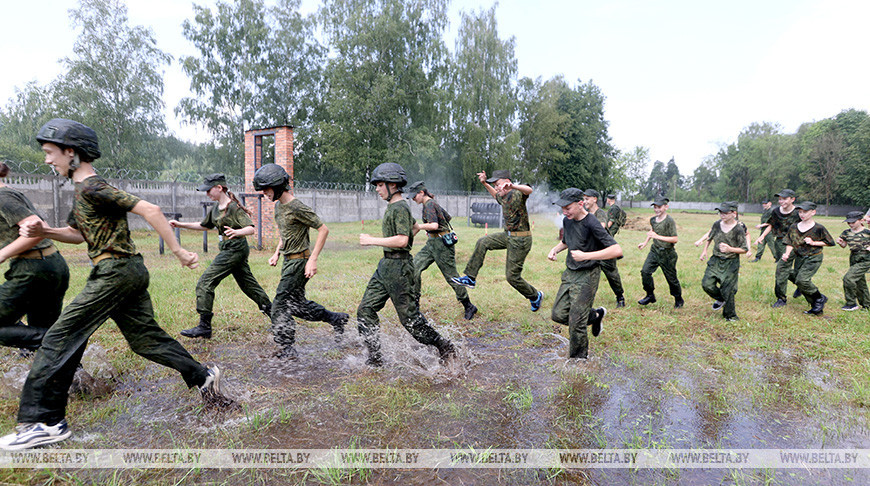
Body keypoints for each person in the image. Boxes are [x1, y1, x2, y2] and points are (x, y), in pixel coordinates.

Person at [0, 119, 227, 451]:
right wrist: (45, 232)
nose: (48, 160)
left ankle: (43, 422)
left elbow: (150, 209)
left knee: (60, 336)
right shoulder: (82, 191)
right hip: (126, 270)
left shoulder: (93, 186)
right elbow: (79, 235)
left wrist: (178, 250)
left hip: (115, 272)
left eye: (51, 153)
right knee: (145, 340)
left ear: (71, 152)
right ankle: (202, 376)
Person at [357, 163, 455, 367]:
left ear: (393, 185)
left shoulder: (400, 207)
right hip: (385, 266)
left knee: (410, 321)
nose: (376, 188)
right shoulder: (395, 207)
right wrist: (412, 232)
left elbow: (402, 240)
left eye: (380, 184)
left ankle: (443, 345)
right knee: (365, 310)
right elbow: (413, 227)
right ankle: (375, 358)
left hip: (399, 268)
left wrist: (370, 240)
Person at [252, 164, 349, 359]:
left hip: (299, 261)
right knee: (296, 304)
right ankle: (335, 318)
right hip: (288, 260)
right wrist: (277, 252)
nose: (264, 194)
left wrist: (312, 260)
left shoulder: (297, 206)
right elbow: (286, 232)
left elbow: (323, 229)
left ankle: (287, 349)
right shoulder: (280, 207)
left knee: (279, 304)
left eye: (266, 189)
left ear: (278, 186)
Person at [169, 173, 272, 339]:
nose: (207, 194)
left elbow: (251, 228)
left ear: (219, 188)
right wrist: (180, 224)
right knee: (248, 285)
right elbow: (204, 225)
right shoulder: (216, 209)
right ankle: (277, 317)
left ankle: (204, 326)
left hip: (235, 249)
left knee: (205, 282)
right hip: (228, 248)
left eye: (209, 190)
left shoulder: (233, 207)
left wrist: (237, 231)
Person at [0, 162, 70, 353]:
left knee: (44, 339)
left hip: (33, 269)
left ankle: (62, 342)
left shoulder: (2, 197)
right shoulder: (9, 193)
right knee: (42, 344)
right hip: (51, 265)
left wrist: (2, 254)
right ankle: (76, 378)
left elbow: (38, 229)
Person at [452, 170, 544, 312]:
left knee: (512, 277)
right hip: (507, 236)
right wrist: (484, 183)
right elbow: (495, 195)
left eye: (497, 184)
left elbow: (529, 190)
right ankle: (470, 277)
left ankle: (535, 295)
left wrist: (513, 186)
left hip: (521, 239)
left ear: (507, 181)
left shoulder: (517, 193)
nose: (496, 188)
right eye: (494, 185)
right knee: (483, 242)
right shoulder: (502, 196)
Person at [548, 188, 622, 360]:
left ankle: (578, 362)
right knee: (558, 314)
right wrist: (555, 250)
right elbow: (567, 241)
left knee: (576, 323)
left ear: (580, 204)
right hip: (570, 273)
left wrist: (586, 256)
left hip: (588, 274)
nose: (564, 212)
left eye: (567, 208)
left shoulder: (592, 222)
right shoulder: (568, 221)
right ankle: (595, 316)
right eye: (562, 208)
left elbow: (616, 250)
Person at [406, 181, 477, 320]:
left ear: (421, 193)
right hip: (432, 243)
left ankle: (468, 306)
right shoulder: (430, 204)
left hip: (442, 245)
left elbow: (434, 225)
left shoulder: (430, 204)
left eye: (414, 196)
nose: (413, 199)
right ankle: (415, 307)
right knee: (414, 268)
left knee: (452, 277)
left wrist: (417, 226)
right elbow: (447, 217)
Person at [781, 201, 835, 315]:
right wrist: (786, 253)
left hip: (813, 257)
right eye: (800, 212)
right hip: (799, 258)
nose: (802, 214)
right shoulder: (794, 227)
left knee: (802, 280)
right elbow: (789, 241)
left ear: (813, 212)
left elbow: (830, 242)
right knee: (795, 278)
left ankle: (819, 298)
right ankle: (816, 307)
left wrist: (814, 243)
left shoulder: (819, 228)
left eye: (805, 212)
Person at [698, 202, 748, 321]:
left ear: (734, 214)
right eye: (720, 212)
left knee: (728, 289)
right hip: (715, 259)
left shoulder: (738, 229)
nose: (722, 215)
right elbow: (709, 237)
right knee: (707, 284)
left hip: (731, 262)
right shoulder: (716, 225)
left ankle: (730, 316)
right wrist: (704, 251)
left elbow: (744, 249)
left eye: (725, 212)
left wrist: (730, 249)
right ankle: (721, 299)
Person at [756, 189, 801, 307]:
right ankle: (781, 298)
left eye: (785, 198)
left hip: (798, 243)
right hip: (781, 243)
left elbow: (807, 225)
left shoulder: (799, 212)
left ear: (792, 199)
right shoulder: (776, 212)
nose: (781, 201)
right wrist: (762, 236)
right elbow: (771, 225)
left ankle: (801, 283)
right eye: (780, 199)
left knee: (790, 270)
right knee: (782, 269)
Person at [637, 197, 683, 308]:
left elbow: (674, 239)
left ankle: (678, 298)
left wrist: (658, 237)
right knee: (645, 271)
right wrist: (645, 242)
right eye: (655, 207)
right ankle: (650, 295)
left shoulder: (669, 221)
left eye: (659, 207)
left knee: (671, 278)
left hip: (667, 253)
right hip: (655, 251)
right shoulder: (653, 220)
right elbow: (652, 232)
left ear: (666, 207)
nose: (656, 210)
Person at [583, 189, 624, 308]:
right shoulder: (586, 214)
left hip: (606, 250)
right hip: (592, 250)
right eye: (583, 199)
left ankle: (620, 296)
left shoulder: (600, 213)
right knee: (588, 275)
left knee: (612, 275)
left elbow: (601, 226)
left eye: (587, 199)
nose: (585, 201)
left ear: (594, 199)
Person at [835, 211, 870, 311]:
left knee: (848, 278)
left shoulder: (867, 232)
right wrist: (840, 243)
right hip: (854, 257)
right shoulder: (846, 232)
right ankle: (866, 305)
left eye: (853, 222)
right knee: (860, 282)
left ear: (861, 220)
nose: (850, 224)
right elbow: (844, 245)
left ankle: (851, 303)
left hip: (865, 259)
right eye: (848, 222)